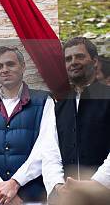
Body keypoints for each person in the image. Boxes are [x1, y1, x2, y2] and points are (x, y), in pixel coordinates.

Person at [0, 46, 60, 204]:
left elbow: (46, 148)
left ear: (23, 66)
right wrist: (1, 188)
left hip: (31, 199)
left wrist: (15, 183)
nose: (4, 70)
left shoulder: (44, 101)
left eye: (10, 64)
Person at [46, 37, 110, 203]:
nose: (73, 62)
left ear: (94, 61)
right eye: (68, 59)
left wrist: (95, 184)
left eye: (79, 56)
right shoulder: (58, 107)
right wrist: (58, 187)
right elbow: (50, 153)